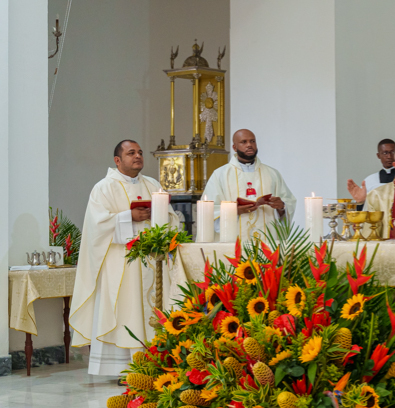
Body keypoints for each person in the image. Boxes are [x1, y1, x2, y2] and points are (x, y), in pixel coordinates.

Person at [69, 140, 181, 376]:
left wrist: (159, 218)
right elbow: (96, 226)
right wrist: (128, 216)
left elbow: (171, 218)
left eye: (140, 152)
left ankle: (158, 362)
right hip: (122, 264)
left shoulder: (152, 184)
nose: (138, 156)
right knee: (126, 310)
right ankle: (125, 368)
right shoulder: (103, 188)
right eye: (131, 153)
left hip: (152, 261)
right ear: (117, 160)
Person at [202, 129, 296, 244]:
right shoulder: (220, 175)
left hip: (267, 243)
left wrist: (281, 207)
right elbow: (209, 211)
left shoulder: (272, 174)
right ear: (234, 147)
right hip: (234, 244)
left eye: (252, 141)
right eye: (244, 142)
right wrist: (233, 211)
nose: (249, 145)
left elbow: (288, 203)